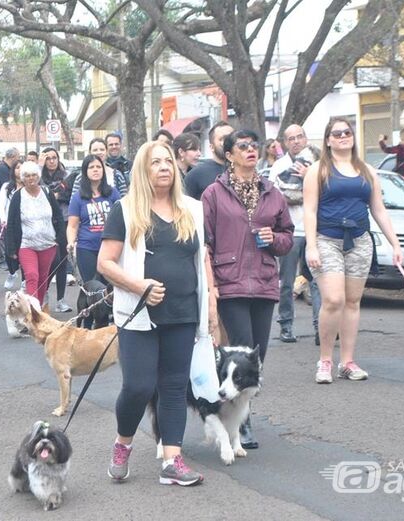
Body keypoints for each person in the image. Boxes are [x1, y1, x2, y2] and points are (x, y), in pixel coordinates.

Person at [98, 141, 215, 487]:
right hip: (138, 314)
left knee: (174, 386)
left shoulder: (193, 210)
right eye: (155, 163)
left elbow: (200, 262)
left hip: (183, 311)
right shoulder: (125, 209)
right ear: (142, 171)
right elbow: (104, 262)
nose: (164, 167)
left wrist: (210, 309)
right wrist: (138, 286)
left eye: (168, 161)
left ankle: (172, 460)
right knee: (138, 386)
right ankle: (123, 443)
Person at [202, 129, 294, 448]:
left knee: (258, 355)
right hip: (231, 282)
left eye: (254, 146)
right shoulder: (214, 194)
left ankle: (241, 412)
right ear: (229, 155)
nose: (251, 150)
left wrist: (275, 239)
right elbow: (206, 242)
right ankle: (242, 424)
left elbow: (287, 236)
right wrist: (210, 284)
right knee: (240, 349)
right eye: (243, 147)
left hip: (265, 281)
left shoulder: (271, 191)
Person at [304, 118, 403, 384]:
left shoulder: (367, 170)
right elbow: (310, 210)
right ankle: (325, 360)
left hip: (359, 240)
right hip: (327, 239)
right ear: (327, 140)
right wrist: (311, 245)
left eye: (347, 132)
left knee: (352, 301)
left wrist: (395, 243)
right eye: (337, 134)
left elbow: (378, 209)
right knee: (333, 300)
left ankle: (347, 362)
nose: (343, 137)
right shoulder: (318, 170)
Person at [269, 125, 322, 344]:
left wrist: (308, 178)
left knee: (318, 281)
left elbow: (325, 192)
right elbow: (275, 197)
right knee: (287, 281)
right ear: (285, 142)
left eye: (300, 137)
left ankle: (322, 328)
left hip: (315, 230)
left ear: (306, 138)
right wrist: (301, 194)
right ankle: (286, 325)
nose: (296, 141)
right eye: (291, 138)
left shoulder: (318, 164)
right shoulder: (279, 166)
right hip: (289, 231)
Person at [67, 154, 121, 327]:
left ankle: (105, 325)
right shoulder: (78, 198)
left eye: (98, 167)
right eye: (91, 167)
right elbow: (73, 225)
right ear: (85, 172)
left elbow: (123, 219)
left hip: (111, 248)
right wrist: (70, 242)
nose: (95, 170)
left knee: (109, 288)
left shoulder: (112, 193)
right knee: (91, 289)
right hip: (87, 249)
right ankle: (87, 327)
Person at [5, 161, 66, 306]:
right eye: (27, 175)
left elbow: (58, 216)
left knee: (43, 279)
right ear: (22, 178)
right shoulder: (17, 196)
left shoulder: (47, 193)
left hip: (48, 244)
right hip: (27, 244)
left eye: (33, 175)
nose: (31, 178)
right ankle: (32, 311)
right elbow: (11, 223)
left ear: (38, 176)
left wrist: (59, 238)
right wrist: (11, 249)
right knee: (32, 276)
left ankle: (37, 310)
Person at [41, 147, 74, 312]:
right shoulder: (40, 177)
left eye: (54, 158)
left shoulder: (66, 176)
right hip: (45, 223)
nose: (52, 161)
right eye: (48, 158)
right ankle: (43, 293)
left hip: (63, 220)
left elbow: (71, 195)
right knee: (49, 261)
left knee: (61, 260)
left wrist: (58, 196)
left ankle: (61, 299)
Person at [185, 120, 234, 200]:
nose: (228, 142)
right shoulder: (196, 175)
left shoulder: (245, 171)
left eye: (232, 137)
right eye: (223, 138)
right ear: (211, 147)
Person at [0, 161, 23, 290]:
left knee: (24, 253)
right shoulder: (7, 187)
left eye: (22, 168)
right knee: (10, 253)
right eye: (17, 167)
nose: (20, 170)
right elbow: (1, 205)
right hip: (10, 224)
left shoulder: (29, 187)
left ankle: (25, 280)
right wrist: (3, 219)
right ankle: (12, 272)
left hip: (25, 225)